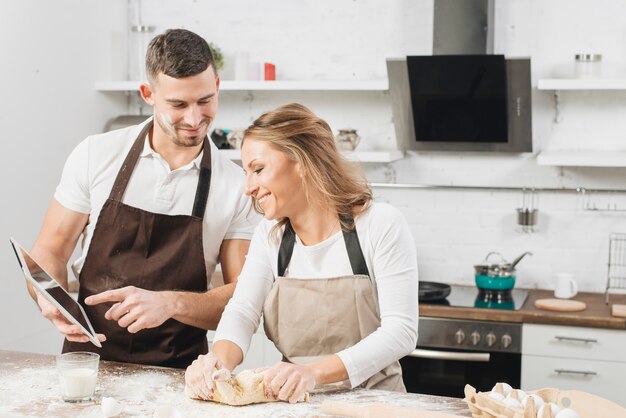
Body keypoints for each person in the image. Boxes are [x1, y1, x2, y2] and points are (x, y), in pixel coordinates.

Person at [25, 29, 259, 368]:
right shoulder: (95, 155)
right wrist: (48, 296)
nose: (194, 119)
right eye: (178, 105)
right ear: (148, 93)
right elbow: (50, 249)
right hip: (88, 363)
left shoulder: (236, 186)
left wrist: (170, 304)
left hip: (183, 371)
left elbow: (243, 297)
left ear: (218, 85)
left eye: (205, 101)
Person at [184, 103, 418, 402]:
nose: (248, 188)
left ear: (302, 162)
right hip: (297, 403)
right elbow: (242, 310)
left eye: (258, 169)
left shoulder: (379, 224)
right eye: (247, 173)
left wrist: (313, 373)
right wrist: (217, 363)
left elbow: (401, 332)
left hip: (377, 404)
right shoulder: (271, 237)